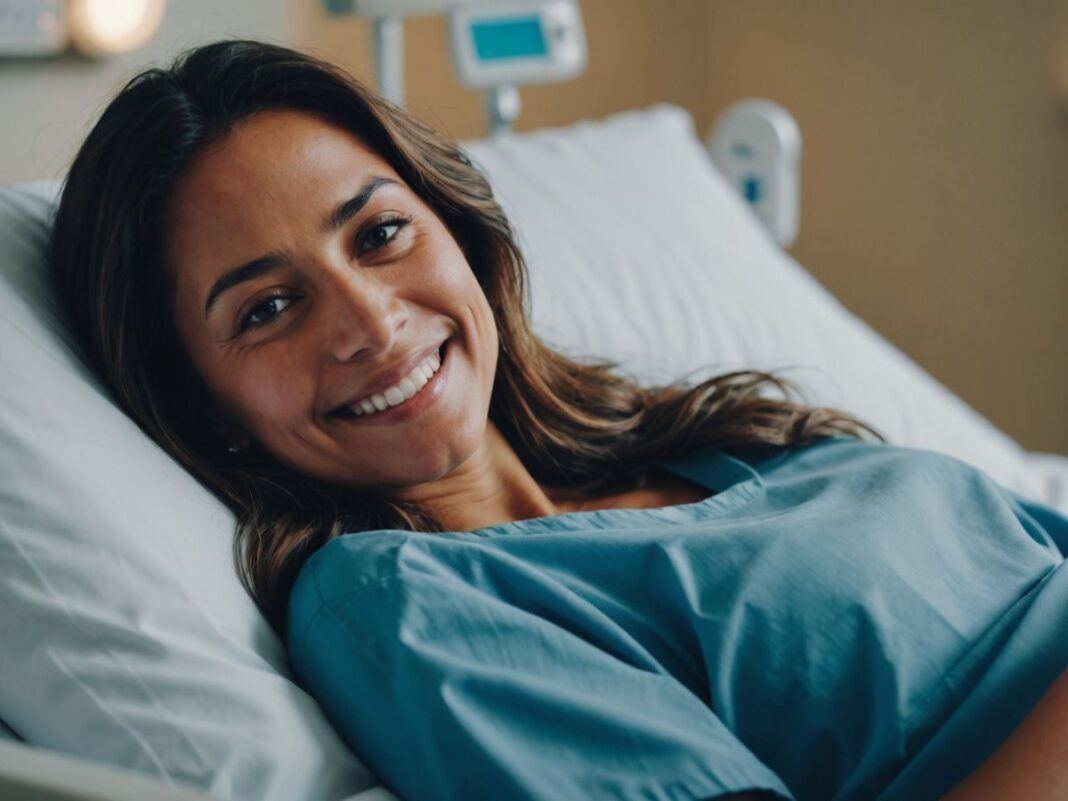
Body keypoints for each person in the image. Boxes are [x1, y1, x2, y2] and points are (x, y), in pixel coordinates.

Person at [47, 40, 1068, 801]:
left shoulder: (724, 447)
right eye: (267, 309)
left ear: (461, 235)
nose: (370, 322)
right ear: (200, 405)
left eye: (381, 232)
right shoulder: (397, 602)